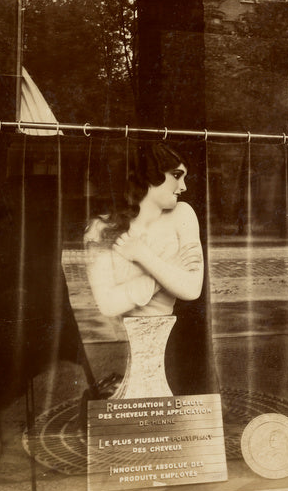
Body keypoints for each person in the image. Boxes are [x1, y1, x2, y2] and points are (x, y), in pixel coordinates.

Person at [84, 141, 204, 397]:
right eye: (176, 175)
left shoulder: (183, 215)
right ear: (150, 176)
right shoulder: (101, 228)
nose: (183, 186)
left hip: (162, 340)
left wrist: (143, 256)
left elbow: (192, 288)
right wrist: (165, 273)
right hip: (125, 340)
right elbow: (108, 304)